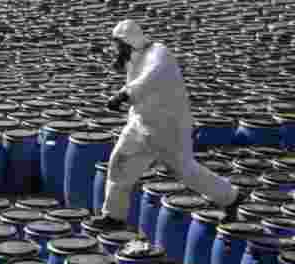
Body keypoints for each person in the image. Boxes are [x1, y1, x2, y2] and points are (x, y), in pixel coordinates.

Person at [89, 20, 240, 230]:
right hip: (140, 123)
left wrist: (124, 93)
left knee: (186, 171)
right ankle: (113, 216)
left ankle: (231, 197)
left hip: (169, 127)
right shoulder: (133, 55)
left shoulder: (159, 54)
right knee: (119, 163)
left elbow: (150, 77)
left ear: (128, 42)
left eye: (118, 44)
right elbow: (130, 69)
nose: (116, 48)